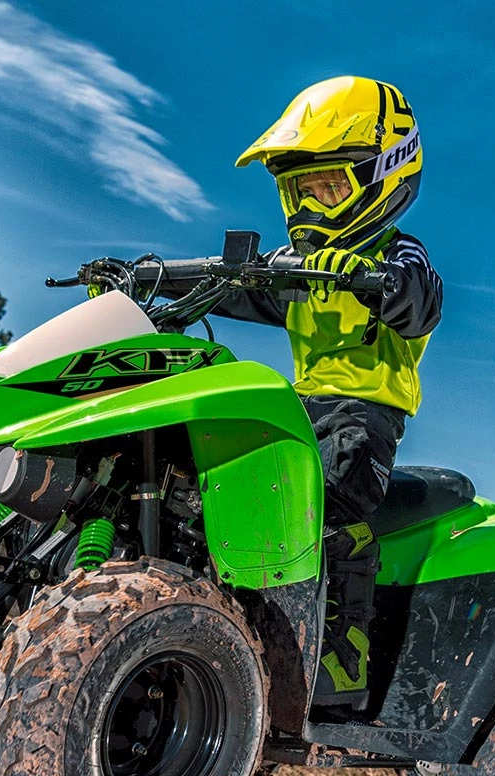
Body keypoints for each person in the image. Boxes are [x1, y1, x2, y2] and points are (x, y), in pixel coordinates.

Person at [188, 76, 444, 711]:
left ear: (383, 173)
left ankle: (334, 676)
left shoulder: (400, 255)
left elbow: (418, 300)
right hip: (296, 411)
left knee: (327, 510)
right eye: (297, 191)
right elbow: (239, 289)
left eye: (326, 187)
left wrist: (370, 278)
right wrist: (163, 280)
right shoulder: (301, 265)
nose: (307, 207)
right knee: (200, 486)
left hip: (363, 419)